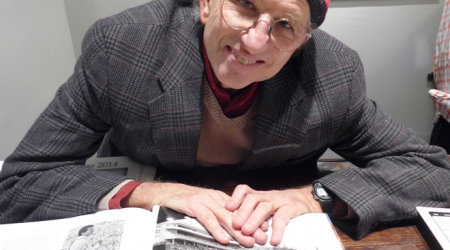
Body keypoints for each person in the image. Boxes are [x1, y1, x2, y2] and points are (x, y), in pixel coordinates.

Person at [0, 0, 449, 247]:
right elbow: (20, 180)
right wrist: (147, 192)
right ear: (206, 3)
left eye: (285, 24)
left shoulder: (334, 74)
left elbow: (433, 169)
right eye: (245, 5)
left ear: (304, 41)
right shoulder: (121, 47)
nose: (255, 40)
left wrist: (317, 196)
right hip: (147, 207)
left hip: (277, 227)